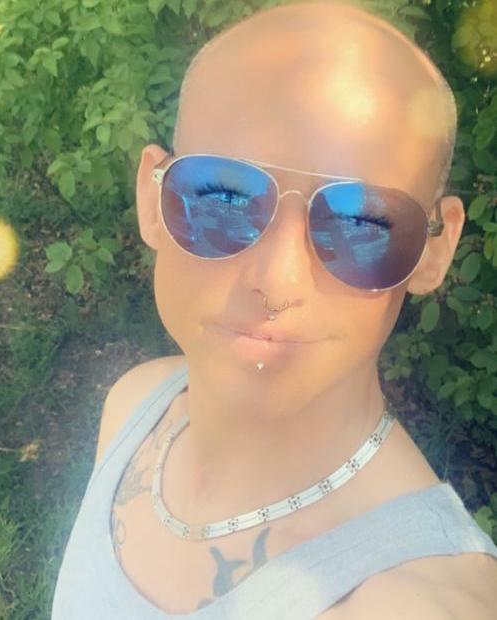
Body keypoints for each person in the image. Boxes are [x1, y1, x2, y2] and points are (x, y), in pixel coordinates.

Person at [52, 1, 497, 618]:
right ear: (152, 199)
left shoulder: (412, 601)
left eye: (362, 223)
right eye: (222, 197)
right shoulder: (135, 404)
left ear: (434, 250)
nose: (276, 280)